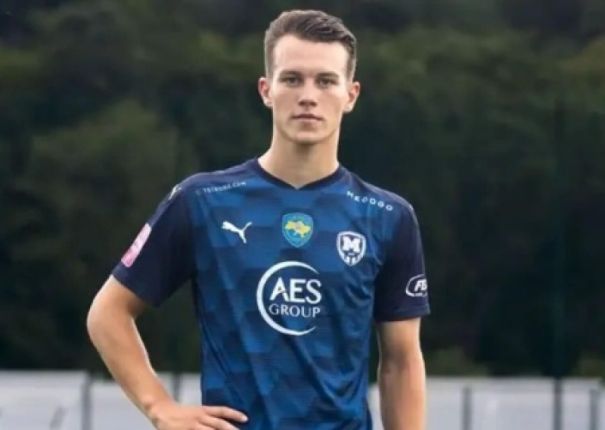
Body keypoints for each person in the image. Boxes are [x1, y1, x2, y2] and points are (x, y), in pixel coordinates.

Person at [87, 9, 430, 430]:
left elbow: (401, 360)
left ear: (351, 94)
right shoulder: (203, 201)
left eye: (325, 81)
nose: (308, 96)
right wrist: (160, 407)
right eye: (292, 79)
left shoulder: (388, 217)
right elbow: (108, 313)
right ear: (267, 90)